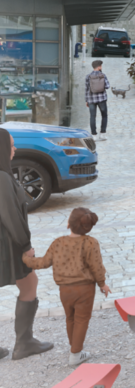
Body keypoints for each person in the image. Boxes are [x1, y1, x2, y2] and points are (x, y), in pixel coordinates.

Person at [23, 208, 110, 366]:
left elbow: (43, 262)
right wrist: (102, 284)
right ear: (88, 227)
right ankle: (75, 354)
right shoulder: (90, 243)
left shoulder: (58, 242)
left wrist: (26, 259)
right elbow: (96, 266)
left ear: (69, 224)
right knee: (82, 320)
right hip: (85, 289)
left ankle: (74, 349)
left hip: (65, 290)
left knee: (70, 318)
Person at [0, 128, 54, 361]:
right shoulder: (2, 178)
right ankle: (24, 343)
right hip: (7, 245)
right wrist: (26, 246)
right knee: (29, 283)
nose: (14, 150)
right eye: (10, 146)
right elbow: (11, 216)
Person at [85, 60, 110, 141]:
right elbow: (107, 86)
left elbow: (86, 89)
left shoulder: (88, 76)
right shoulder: (103, 75)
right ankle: (102, 134)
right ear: (99, 66)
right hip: (102, 99)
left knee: (92, 116)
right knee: (104, 115)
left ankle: (94, 135)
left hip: (91, 99)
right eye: (101, 66)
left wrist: (86, 100)